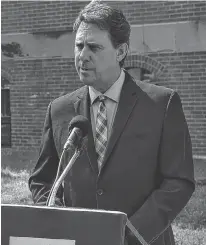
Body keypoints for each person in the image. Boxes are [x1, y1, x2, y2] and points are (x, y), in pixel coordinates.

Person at [29, 1, 195, 245]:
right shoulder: (60, 109)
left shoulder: (162, 104)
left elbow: (178, 181)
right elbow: (42, 180)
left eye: (94, 47)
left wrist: (130, 234)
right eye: (79, 45)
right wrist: (58, 224)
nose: (83, 55)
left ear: (121, 51)